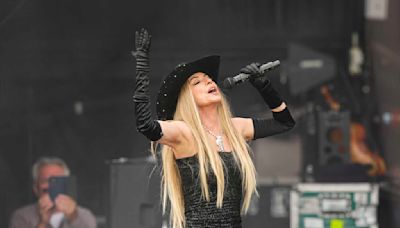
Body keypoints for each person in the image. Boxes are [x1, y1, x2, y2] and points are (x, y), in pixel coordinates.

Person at [132, 29, 295, 228]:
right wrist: (141, 66)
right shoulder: (184, 133)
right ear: (187, 99)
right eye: (197, 82)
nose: (209, 80)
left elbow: (284, 122)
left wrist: (263, 86)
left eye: (209, 78)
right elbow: (145, 126)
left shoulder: (235, 129)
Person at [9, 157, 97, 228]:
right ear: (36, 188)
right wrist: (42, 223)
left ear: (66, 185)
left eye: (57, 181)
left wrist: (73, 217)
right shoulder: (22, 216)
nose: (51, 187)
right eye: (45, 181)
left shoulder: (85, 216)